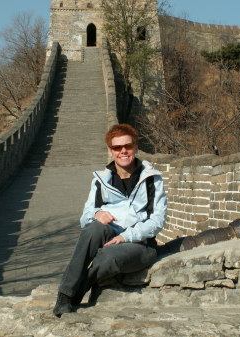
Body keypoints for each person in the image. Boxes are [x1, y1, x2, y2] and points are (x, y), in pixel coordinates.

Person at [53, 124, 167, 317]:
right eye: (117, 148)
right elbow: (85, 217)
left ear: (136, 148)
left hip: (140, 244)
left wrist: (125, 236)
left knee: (108, 257)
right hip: (107, 233)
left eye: (128, 146)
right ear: (110, 151)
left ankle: (75, 295)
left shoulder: (151, 180)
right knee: (92, 230)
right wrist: (96, 214)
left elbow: (157, 220)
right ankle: (63, 296)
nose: (123, 151)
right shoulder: (101, 180)